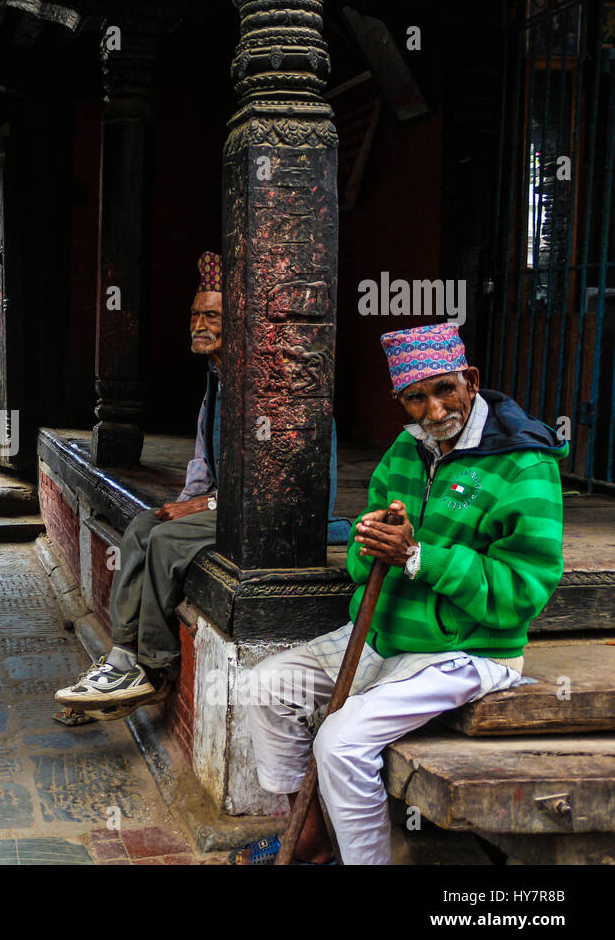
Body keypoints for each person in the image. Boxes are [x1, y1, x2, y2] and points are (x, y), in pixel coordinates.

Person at [233, 323, 566, 865]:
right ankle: (312, 836)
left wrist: (419, 556)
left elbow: (522, 593)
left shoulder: (524, 463)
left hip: (468, 652)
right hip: (385, 635)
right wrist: (373, 544)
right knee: (268, 686)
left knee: (339, 744)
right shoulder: (405, 450)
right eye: (416, 398)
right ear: (401, 401)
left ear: (471, 380)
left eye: (444, 390)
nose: (434, 412)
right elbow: (363, 569)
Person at [53, 251, 350, 721]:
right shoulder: (217, 379)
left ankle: (152, 667)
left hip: (275, 515)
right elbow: (202, 459)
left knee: (168, 539)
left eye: (211, 315)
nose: (198, 323)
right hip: (228, 504)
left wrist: (196, 509)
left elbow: (268, 487)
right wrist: (189, 501)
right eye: (195, 313)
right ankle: (122, 658)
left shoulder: (269, 387)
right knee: (143, 527)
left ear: (239, 324)